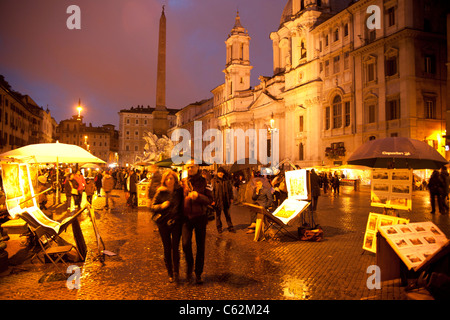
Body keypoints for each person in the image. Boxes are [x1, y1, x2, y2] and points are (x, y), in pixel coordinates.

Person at [181, 160, 212, 284]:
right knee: (185, 244)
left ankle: (198, 272)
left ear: (197, 167)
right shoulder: (183, 182)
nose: (190, 169)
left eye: (192, 167)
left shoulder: (205, 182)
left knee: (200, 246)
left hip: (200, 217)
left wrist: (198, 196)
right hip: (186, 218)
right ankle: (189, 267)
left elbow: (210, 199)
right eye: (188, 167)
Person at [150, 170, 184, 284]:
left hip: (176, 222)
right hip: (163, 223)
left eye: (171, 178)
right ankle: (169, 272)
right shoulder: (160, 192)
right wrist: (161, 206)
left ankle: (176, 272)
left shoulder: (179, 191)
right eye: (167, 179)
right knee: (167, 248)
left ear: (175, 179)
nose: (169, 181)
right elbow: (152, 207)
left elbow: (182, 207)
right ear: (164, 181)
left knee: (175, 247)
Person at [211, 167, 235, 234]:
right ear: (217, 173)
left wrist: (231, 198)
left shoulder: (226, 180)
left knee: (227, 215)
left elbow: (230, 190)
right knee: (218, 216)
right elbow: (212, 191)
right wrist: (212, 200)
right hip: (217, 200)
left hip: (226, 200)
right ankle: (219, 228)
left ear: (223, 173)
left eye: (222, 172)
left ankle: (230, 227)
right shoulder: (214, 181)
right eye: (219, 172)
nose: (220, 173)